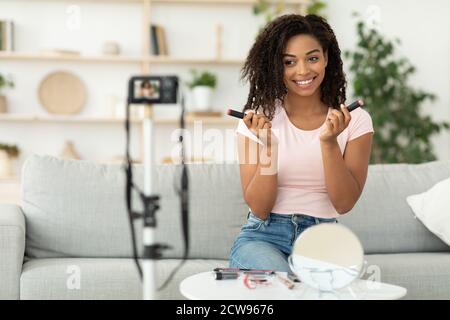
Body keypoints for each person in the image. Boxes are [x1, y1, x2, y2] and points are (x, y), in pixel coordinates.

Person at [229, 14, 374, 272]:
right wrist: (270, 149)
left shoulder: (356, 121)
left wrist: (329, 143)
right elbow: (260, 208)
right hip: (263, 237)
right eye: (289, 62)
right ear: (276, 66)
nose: (303, 71)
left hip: (323, 238)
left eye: (312, 58)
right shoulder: (256, 121)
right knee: (285, 284)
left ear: (326, 58)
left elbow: (344, 203)